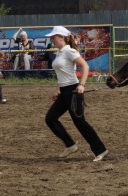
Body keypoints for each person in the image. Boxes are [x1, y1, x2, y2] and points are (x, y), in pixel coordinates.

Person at [45, 26, 108, 162]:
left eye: (53, 37)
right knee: (50, 118)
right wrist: (58, 90)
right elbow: (63, 74)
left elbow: (85, 66)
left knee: (80, 122)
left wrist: (82, 85)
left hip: (73, 90)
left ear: (61, 37)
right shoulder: (60, 52)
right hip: (64, 91)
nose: (52, 40)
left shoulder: (70, 51)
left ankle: (100, 150)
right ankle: (70, 145)